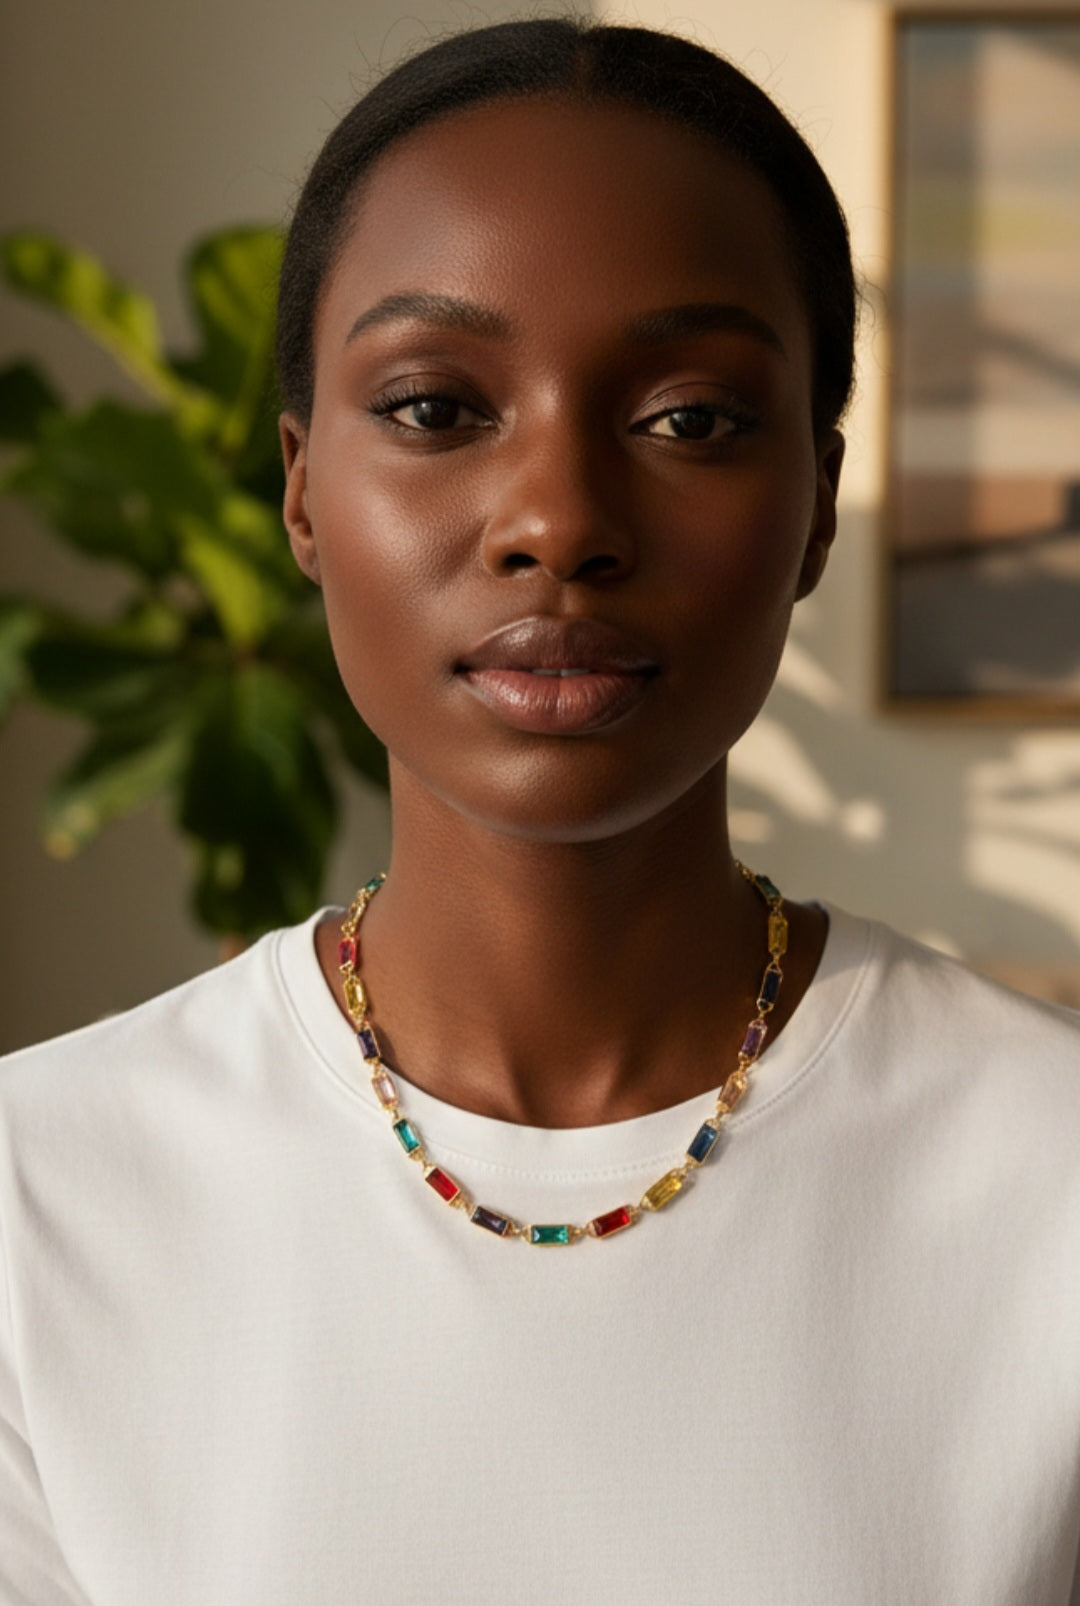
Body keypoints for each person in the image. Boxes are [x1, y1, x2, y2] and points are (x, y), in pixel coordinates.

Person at [1, 16, 1078, 1605]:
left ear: (813, 509)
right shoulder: (38, 1195)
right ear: (301, 491)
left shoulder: (1051, 1178)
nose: (560, 521)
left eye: (691, 419)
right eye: (438, 407)